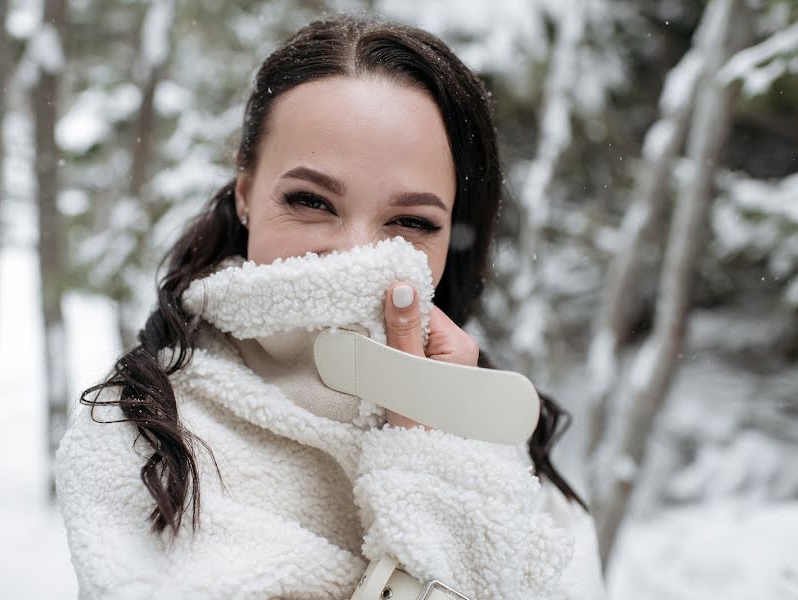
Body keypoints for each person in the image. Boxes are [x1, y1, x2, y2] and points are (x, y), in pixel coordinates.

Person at [55, 12, 606, 600]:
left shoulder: (508, 445)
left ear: (452, 239)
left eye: (411, 221)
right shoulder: (142, 433)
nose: (355, 253)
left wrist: (443, 445)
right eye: (311, 201)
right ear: (245, 193)